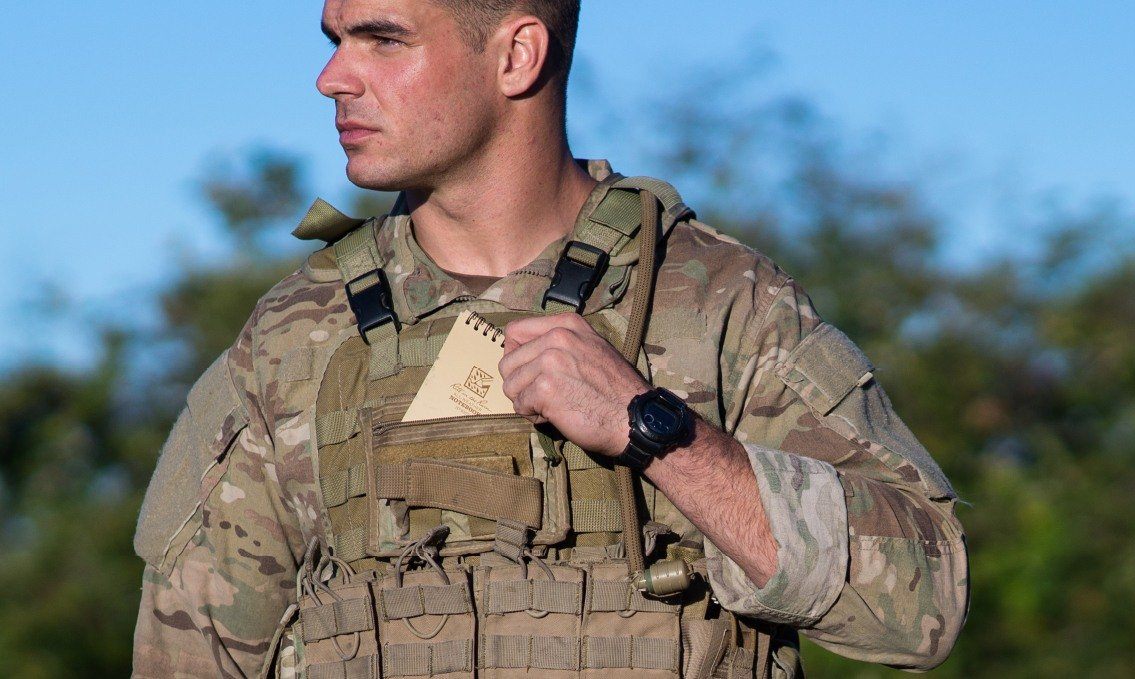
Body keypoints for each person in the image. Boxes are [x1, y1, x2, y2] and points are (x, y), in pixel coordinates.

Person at [130, 1, 967, 676]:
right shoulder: (294, 338)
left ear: (518, 55)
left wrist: (655, 431)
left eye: (382, 39)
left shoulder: (717, 302)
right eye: (334, 39)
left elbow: (922, 604)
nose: (330, 78)